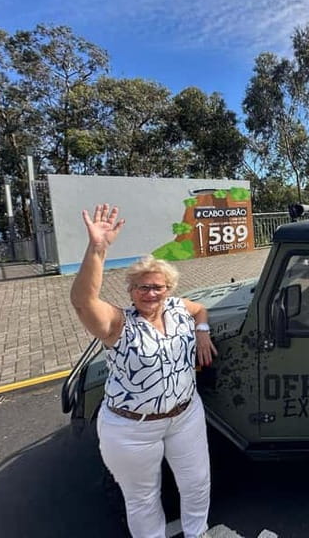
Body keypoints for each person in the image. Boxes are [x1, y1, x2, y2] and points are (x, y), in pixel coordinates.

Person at [70, 203, 217, 538]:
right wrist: (97, 249)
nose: (151, 293)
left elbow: (200, 309)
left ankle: (197, 533)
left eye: (158, 287)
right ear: (131, 291)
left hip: (185, 416)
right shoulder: (118, 324)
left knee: (197, 484)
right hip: (132, 428)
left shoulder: (179, 308)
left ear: (169, 289)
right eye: (143, 287)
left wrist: (203, 331)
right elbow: (82, 302)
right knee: (142, 500)